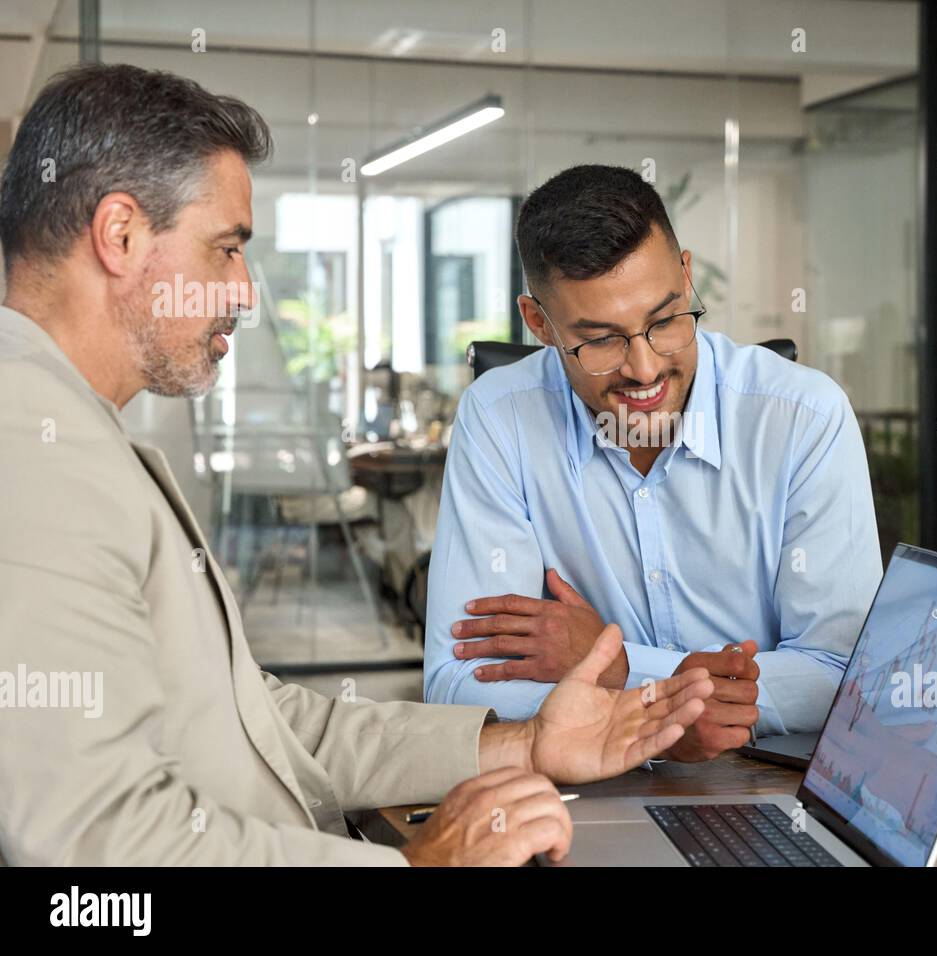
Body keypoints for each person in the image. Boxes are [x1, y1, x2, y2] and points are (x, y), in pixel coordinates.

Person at [0, 64, 712, 867]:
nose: (244, 292)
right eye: (226, 249)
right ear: (120, 234)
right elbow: (92, 845)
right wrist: (416, 867)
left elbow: (262, 728)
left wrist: (526, 744)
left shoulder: (65, 429)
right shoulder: (34, 442)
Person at [424, 164, 883, 761]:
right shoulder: (499, 417)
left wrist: (621, 671)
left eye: (665, 320)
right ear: (540, 324)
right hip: (580, 785)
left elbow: (845, 675)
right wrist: (669, 705)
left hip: (763, 782)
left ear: (686, 275)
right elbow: (461, 686)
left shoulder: (803, 416)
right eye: (602, 340)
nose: (644, 369)